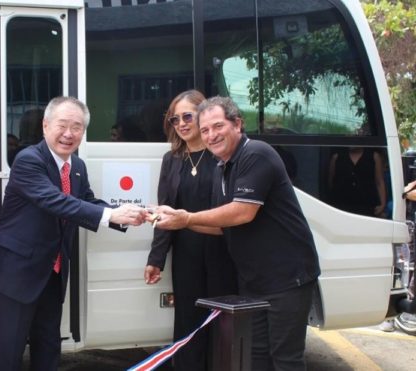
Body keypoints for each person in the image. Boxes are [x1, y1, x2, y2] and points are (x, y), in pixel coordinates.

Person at [0, 96, 147, 371]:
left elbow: (86, 201)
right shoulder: (28, 159)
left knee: (48, 348)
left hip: (52, 272)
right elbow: (55, 201)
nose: (69, 134)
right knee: (8, 354)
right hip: (15, 272)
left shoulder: (77, 166)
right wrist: (109, 216)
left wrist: (125, 214)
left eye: (77, 127)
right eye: (62, 125)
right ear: (45, 126)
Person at [152, 96, 321, 371]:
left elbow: (242, 212)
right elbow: (222, 226)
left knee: (285, 359)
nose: (211, 135)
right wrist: (177, 222)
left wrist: (187, 218)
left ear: (238, 124)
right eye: (205, 130)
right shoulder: (223, 166)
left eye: (218, 126)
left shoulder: (255, 154)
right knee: (255, 357)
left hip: (287, 277)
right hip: (253, 281)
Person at [144, 90, 238, 371]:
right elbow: (165, 211)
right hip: (186, 252)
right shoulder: (171, 159)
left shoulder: (223, 155)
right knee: (187, 321)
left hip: (223, 249)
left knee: (222, 323)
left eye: (188, 116)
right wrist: (156, 259)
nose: (181, 124)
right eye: (175, 119)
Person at [328, 147, 387, 217]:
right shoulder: (336, 157)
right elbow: (331, 181)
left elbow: (379, 182)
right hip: (341, 206)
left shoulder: (374, 156)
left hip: (367, 206)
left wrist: (383, 204)